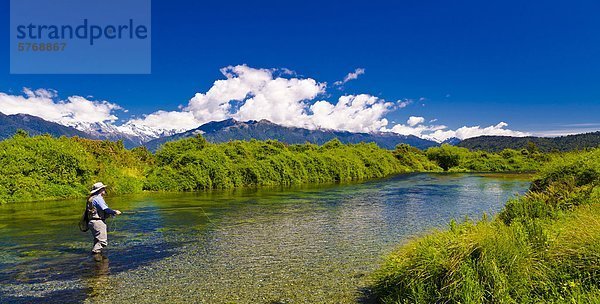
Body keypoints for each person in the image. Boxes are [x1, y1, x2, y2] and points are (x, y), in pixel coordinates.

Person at [86, 182, 121, 254]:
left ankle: (96, 260)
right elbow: (106, 210)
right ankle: (97, 258)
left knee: (97, 241)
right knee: (102, 242)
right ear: (100, 190)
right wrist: (115, 212)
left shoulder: (91, 198)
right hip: (98, 222)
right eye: (103, 188)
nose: (105, 189)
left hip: (92, 222)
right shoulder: (98, 199)